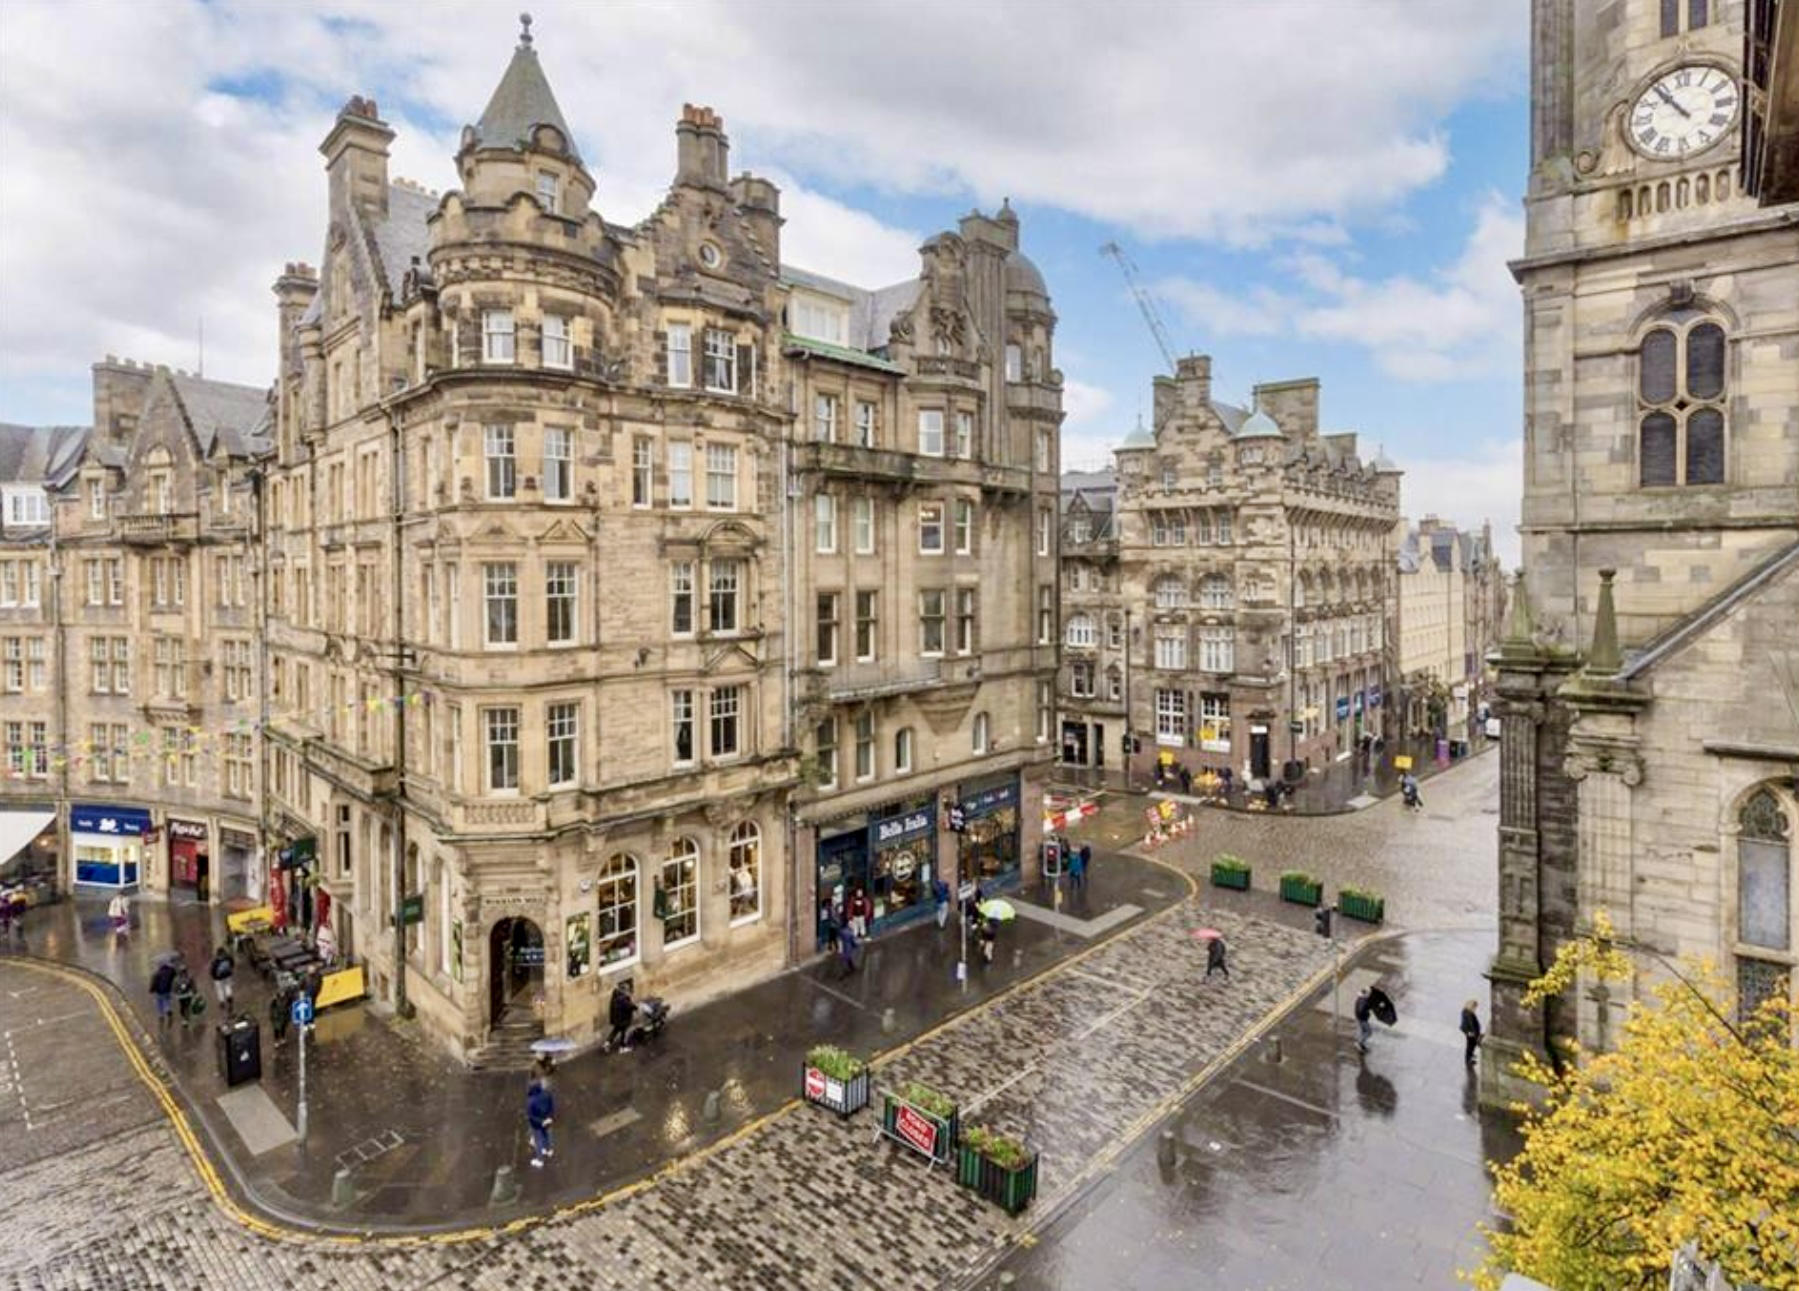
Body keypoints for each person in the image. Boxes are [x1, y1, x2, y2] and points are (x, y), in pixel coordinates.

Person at [526, 1078, 555, 1167]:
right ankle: (548, 1150)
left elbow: (531, 1115)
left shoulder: (531, 1101)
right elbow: (551, 1106)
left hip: (537, 1124)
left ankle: (540, 1160)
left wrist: (541, 1121)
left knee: (538, 1140)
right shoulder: (547, 1094)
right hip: (547, 1119)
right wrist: (549, 1117)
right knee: (547, 1135)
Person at [607, 981, 635, 1053]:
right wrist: (635, 1007)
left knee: (616, 1030)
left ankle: (608, 1042)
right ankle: (622, 1047)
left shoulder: (616, 995)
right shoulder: (623, 998)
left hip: (617, 1018)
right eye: (627, 989)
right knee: (624, 1032)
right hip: (623, 1019)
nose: (628, 991)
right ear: (624, 990)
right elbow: (629, 1006)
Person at [150, 958, 178, 1028]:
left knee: (159, 1003)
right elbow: (175, 974)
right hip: (167, 990)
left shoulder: (157, 974)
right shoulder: (170, 971)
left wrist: (151, 990)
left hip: (159, 991)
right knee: (167, 1001)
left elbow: (154, 983)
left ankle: (161, 1015)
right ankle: (168, 1009)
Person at [209, 946, 236, 1011]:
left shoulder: (215, 962)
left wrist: (214, 977)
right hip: (227, 975)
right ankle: (229, 997)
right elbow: (232, 964)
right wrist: (230, 970)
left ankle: (222, 1001)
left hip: (218, 979)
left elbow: (212, 971)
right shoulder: (228, 958)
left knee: (220, 990)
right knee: (227, 987)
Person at [1460, 998, 1483, 1068]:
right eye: (1475, 1007)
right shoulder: (1469, 1014)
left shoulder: (1467, 1012)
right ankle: (1468, 1059)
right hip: (1471, 1034)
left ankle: (1470, 1057)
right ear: (1471, 1006)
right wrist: (1474, 1034)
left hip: (1471, 1033)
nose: (1475, 1009)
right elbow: (1471, 1025)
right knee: (1470, 1046)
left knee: (1471, 1046)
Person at [1353, 987, 1374, 1053]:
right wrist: (1367, 1013)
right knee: (1368, 1032)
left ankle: (1361, 1045)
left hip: (1360, 1018)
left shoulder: (1360, 998)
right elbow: (1361, 1010)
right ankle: (1359, 1043)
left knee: (1362, 1032)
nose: (1369, 995)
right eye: (1369, 993)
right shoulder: (1363, 1000)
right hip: (1362, 1019)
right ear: (1366, 993)